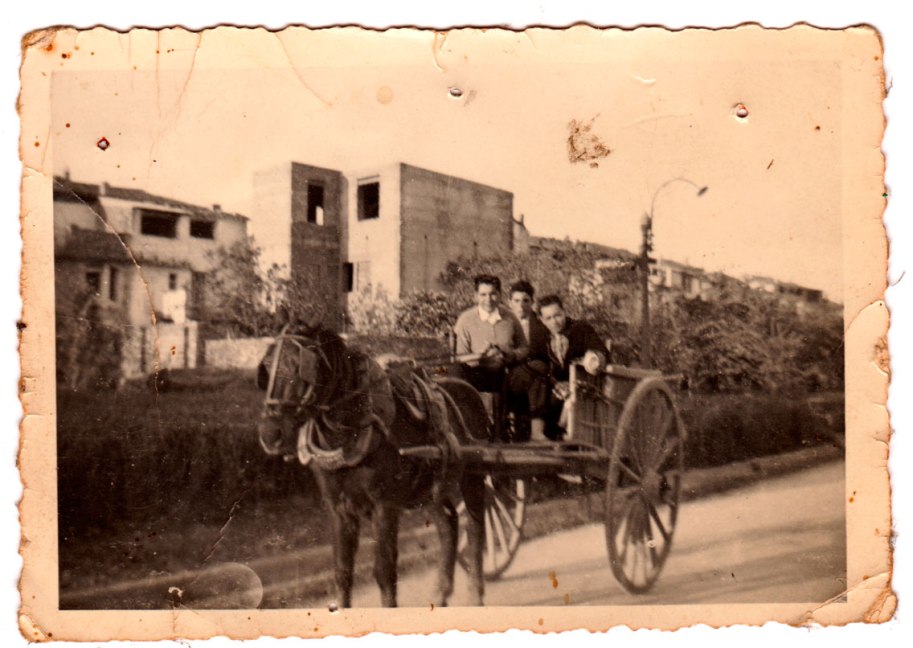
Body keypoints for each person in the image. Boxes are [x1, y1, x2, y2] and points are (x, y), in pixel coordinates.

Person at [537, 294, 609, 440]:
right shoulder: (542, 338)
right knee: (544, 397)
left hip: (584, 384)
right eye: (548, 318)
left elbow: (598, 350)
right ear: (542, 320)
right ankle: (549, 439)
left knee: (567, 400)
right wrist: (555, 383)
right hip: (555, 386)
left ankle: (564, 438)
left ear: (564, 312)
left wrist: (592, 358)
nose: (554, 322)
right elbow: (541, 364)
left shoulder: (580, 329)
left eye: (557, 315)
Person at [452, 274, 528, 395]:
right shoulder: (465, 319)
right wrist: (480, 356)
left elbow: (524, 348)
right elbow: (459, 357)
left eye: (493, 294)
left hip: (505, 374)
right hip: (476, 374)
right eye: (483, 294)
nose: (488, 299)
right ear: (476, 296)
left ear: (499, 295)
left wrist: (509, 354)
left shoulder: (510, 317)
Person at [505, 280, 551, 441]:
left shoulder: (540, 325)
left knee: (538, 369)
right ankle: (536, 432)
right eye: (516, 301)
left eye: (526, 300)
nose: (521, 305)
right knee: (537, 370)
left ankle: (536, 433)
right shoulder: (503, 322)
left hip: (535, 374)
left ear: (532, 302)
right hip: (508, 375)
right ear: (509, 302)